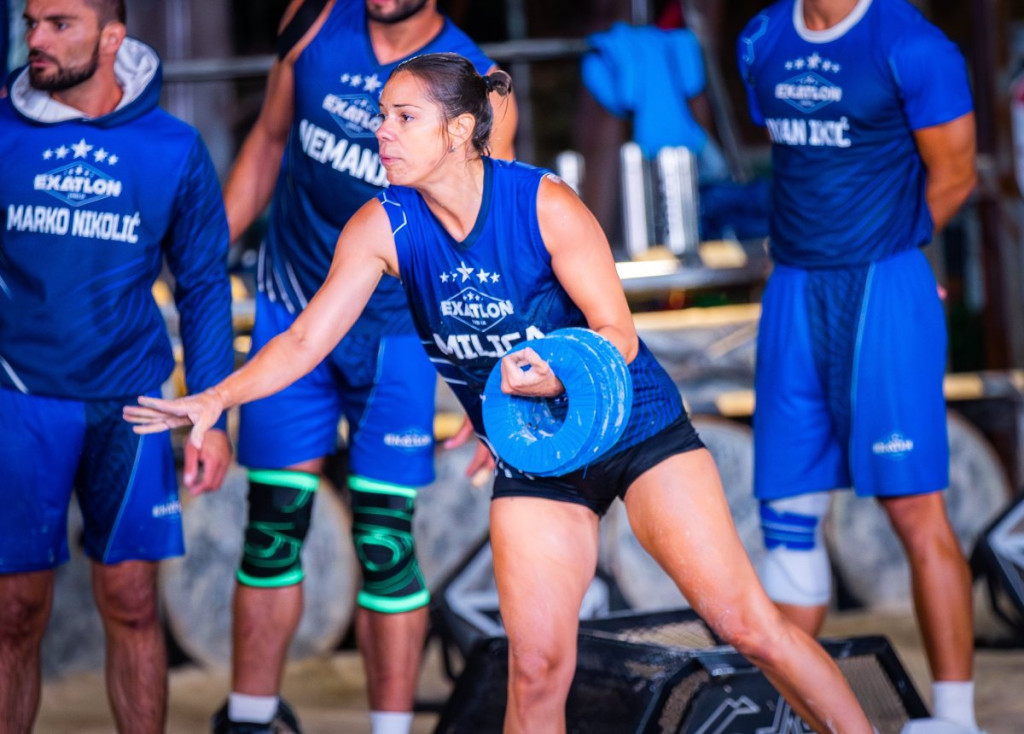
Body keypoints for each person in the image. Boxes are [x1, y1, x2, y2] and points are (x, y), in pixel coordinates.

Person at [127, 52, 876, 734]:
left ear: (459, 130)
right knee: (536, 669)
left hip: (636, 432)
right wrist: (216, 397)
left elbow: (616, 333)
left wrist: (555, 373)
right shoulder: (381, 226)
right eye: (381, 116)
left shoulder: (543, 204)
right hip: (535, 455)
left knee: (747, 627)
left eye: (403, 117)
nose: (380, 131)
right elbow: (301, 342)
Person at [216, 2, 517, 732]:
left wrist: (495, 382)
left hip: (398, 329)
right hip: (295, 302)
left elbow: (487, 234)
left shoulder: (475, 81)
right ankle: (250, 719)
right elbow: (269, 139)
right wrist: (201, 265)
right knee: (272, 523)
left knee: (384, 537)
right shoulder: (313, 20)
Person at [738, 1, 980, 732]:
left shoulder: (912, 47)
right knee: (788, 514)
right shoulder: (761, 38)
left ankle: (956, 719)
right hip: (794, 286)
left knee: (913, 508)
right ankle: (786, 716)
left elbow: (956, 175)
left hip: (881, 285)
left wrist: (899, 253)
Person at [0, 0, 234, 731]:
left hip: (131, 403)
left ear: (111, 38)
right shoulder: (2, 132)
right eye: (31, 23)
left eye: (58, 24)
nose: (36, 39)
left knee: (133, 602)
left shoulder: (173, 147)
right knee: (13, 610)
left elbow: (203, 285)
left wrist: (212, 413)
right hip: (19, 397)